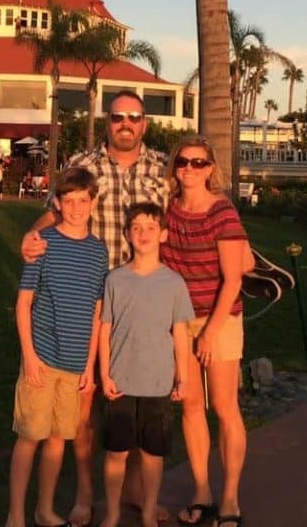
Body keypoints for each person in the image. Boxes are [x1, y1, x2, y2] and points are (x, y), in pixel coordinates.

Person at [21, 90, 170, 527]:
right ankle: (85, 496)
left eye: (135, 117)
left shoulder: (162, 169)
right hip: (90, 299)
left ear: (145, 123)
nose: (126, 123)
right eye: (118, 116)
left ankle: (139, 494)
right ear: (108, 121)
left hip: (142, 303)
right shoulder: (83, 166)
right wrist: (31, 237)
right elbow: (53, 213)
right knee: (85, 404)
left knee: (141, 400)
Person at [6, 167, 108, 527]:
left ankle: (44, 509)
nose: (77, 207)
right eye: (69, 201)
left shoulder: (99, 252)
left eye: (83, 200)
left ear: (93, 203)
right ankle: (16, 514)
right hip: (43, 358)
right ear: (59, 204)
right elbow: (23, 305)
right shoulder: (44, 243)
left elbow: (97, 312)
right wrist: (29, 358)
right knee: (29, 436)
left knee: (57, 441)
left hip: (75, 364)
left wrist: (89, 366)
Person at [161, 135, 248, 527]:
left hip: (221, 318)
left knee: (225, 409)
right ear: (174, 167)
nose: (190, 169)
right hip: (181, 321)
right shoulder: (168, 210)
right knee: (191, 407)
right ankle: (202, 491)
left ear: (210, 169)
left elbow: (233, 280)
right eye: (183, 162)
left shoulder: (223, 212)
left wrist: (210, 333)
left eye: (198, 163)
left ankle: (230, 498)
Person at [99, 202, 194, 527]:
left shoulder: (174, 283)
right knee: (116, 453)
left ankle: (149, 510)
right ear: (127, 234)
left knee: (153, 455)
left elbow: (180, 334)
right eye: (136, 227)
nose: (143, 234)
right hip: (121, 382)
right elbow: (104, 329)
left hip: (158, 384)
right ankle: (112, 513)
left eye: (151, 227)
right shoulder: (115, 280)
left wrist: (183, 377)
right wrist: (103, 373)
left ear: (163, 234)